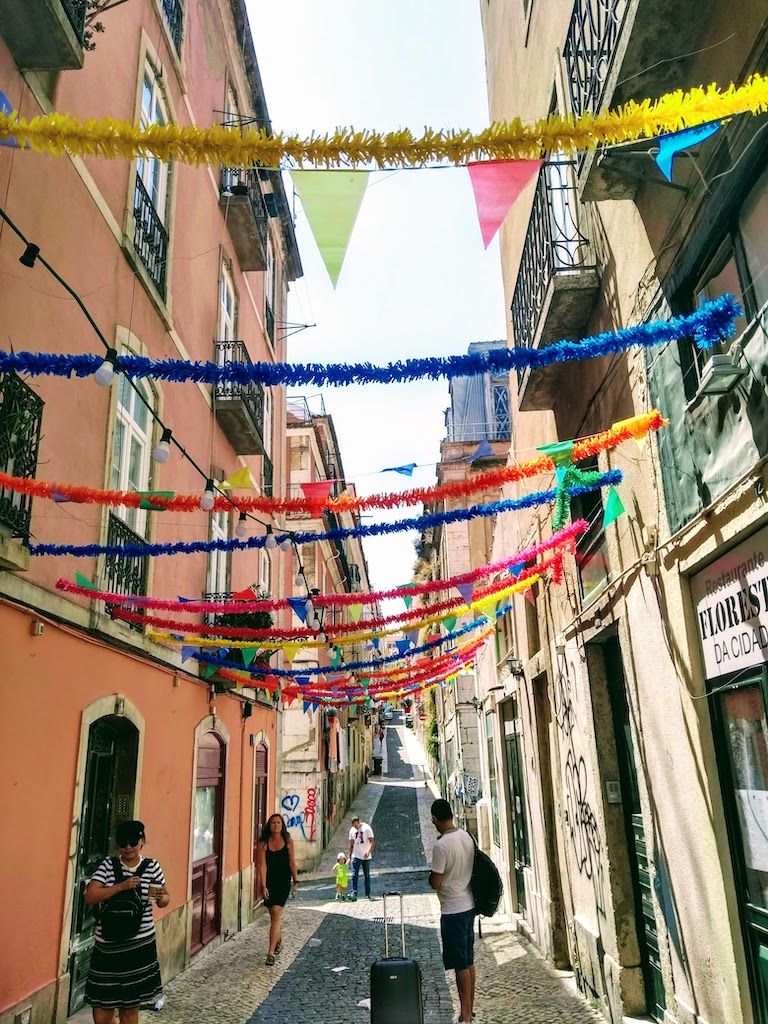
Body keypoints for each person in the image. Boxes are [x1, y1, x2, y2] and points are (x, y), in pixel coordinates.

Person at [84, 820, 169, 1024]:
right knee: (102, 1013)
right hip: (108, 949)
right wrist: (120, 887)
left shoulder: (152, 866)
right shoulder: (108, 865)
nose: (128, 847)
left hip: (138, 948)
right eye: (123, 842)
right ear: (117, 844)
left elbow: (165, 900)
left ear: (142, 841)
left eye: (133, 841)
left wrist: (160, 897)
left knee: (129, 1010)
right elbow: (90, 896)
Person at [428, 799, 476, 1024]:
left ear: (435, 819)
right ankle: (469, 1009)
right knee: (468, 961)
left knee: (460, 965)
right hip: (468, 905)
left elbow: (435, 881)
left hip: (452, 910)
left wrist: (431, 878)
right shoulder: (467, 837)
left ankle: (465, 1015)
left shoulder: (441, 846)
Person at [258, 813, 298, 965]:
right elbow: (262, 865)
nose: (276, 825)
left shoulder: (288, 841)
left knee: (276, 913)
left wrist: (296, 881)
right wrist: (263, 885)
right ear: (270, 825)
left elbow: (292, 863)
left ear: (282, 826)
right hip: (270, 881)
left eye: (279, 823)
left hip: (283, 881)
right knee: (274, 917)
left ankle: (270, 953)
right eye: (274, 823)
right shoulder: (263, 843)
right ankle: (278, 940)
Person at [347, 814, 374, 901]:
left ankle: (367, 893)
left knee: (366, 875)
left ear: (359, 822)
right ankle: (353, 893)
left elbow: (371, 841)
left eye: (356, 825)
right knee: (354, 874)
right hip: (356, 855)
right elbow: (351, 844)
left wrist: (368, 851)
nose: (355, 827)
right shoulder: (352, 831)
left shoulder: (367, 828)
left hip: (365, 855)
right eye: (353, 826)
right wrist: (349, 857)